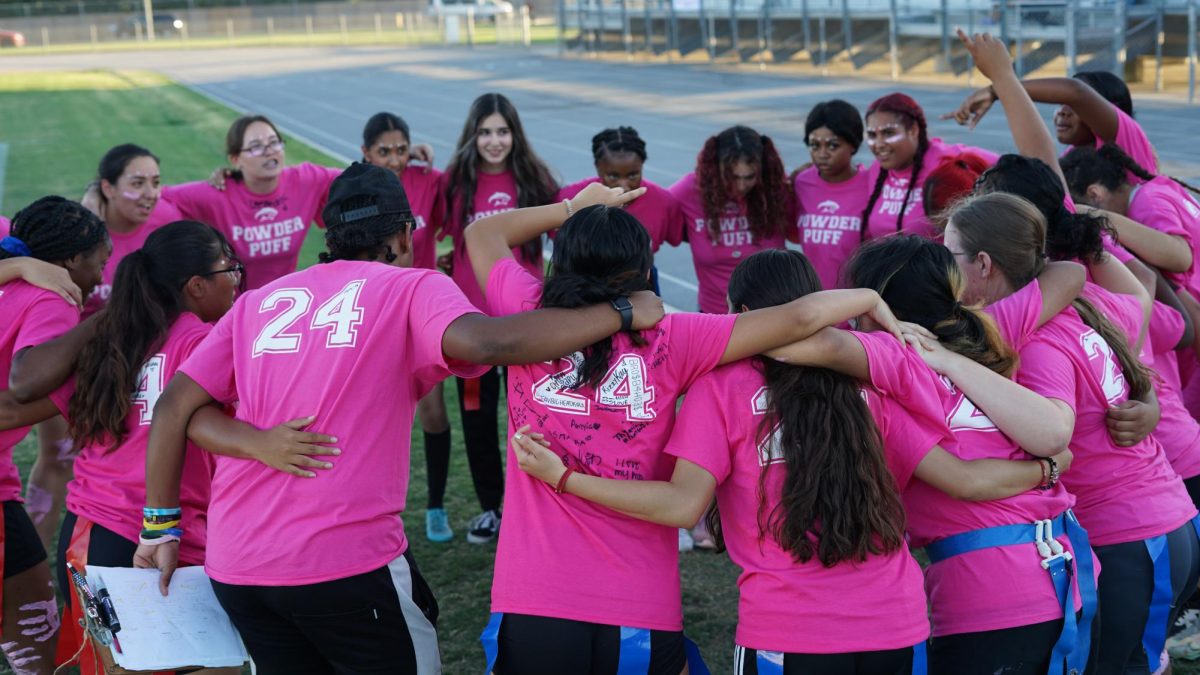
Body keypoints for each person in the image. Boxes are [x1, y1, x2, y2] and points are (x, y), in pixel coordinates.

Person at [135, 163, 663, 675]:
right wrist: (619, 312)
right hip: (342, 562)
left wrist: (163, 526)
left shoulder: (257, 301)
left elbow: (174, 407)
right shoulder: (412, 287)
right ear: (407, 234)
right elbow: (491, 341)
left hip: (238, 564)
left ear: (329, 232)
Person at [509, 247, 1077, 675]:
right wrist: (1048, 469)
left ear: (745, 314)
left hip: (789, 633)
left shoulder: (722, 388)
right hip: (898, 626)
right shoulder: (872, 381)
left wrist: (564, 477)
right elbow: (963, 479)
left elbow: (683, 505)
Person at [464, 178, 937, 673]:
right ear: (643, 270)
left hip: (533, 590)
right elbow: (799, 320)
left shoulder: (523, 312)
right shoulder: (675, 335)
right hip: (638, 597)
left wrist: (571, 207)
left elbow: (482, 235)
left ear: (561, 263)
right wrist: (865, 297)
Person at [945, 190, 1200, 674]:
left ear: (981, 263)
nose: (944, 264)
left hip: (1127, 539)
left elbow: (1056, 429)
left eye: (949, 253)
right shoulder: (1089, 305)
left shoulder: (1033, 343)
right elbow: (1138, 298)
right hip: (1170, 522)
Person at [21, 221, 240, 675]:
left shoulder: (116, 339)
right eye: (228, 267)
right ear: (196, 286)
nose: (236, 277)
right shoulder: (203, 342)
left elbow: (26, 393)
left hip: (89, 536)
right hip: (152, 542)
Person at [438, 92, 559, 544]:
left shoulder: (534, 179)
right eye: (485, 131)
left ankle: (536, 506)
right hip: (470, 326)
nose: (494, 141)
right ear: (473, 135)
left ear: (515, 134)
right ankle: (492, 507)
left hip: (525, 324)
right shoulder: (453, 183)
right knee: (477, 416)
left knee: (533, 416)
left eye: (502, 131)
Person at [0, 197, 109, 675]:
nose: (100, 277)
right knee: (38, 646)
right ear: (69, 262)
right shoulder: (52, 299)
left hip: (4, 484)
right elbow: (18, 393)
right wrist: (102, 377)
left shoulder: (13, 254)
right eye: (99, 262)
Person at [359, 111, 456, 543]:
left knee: (434, 413)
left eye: (401, 149)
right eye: (384, 151)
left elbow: (457, 208)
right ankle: (362, 508)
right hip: (373, 306)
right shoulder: (356, 188)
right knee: (369, 412)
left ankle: (435, 505)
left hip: (418, 305)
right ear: (365, 153)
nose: (395, 159)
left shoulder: (429, 179)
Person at [162, 114, 343, 290]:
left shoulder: (305, 181)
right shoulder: (217, 192)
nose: (269, 151)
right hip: (233, 309)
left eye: (274, 142)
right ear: (235, 159)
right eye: (256, 147)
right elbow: (161, 197)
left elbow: (357, 177)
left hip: (282, 304)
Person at [669, 125, 796, 313]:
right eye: (732, 177)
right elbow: (653, 210)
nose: (741, 185)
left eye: (750, 177)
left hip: (774, 315)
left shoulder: (776, 189)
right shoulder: (690, 191)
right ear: (715, 168)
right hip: (715, 316)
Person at [947, 72, 1160, 180]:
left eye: (1076, 107)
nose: (1062, 111)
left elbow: (1076, 91)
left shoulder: (1126, 142)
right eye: (1060, 103)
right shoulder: (1074, 155)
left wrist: (998, 89)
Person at [558, 127, 684, 294]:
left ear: (642, 166)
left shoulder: (664, 202)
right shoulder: (570, 199)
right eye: (613, 176)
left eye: (633, 175)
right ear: (598, 167)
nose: (623, 186)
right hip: (583, 287)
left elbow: (679, 236)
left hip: (642, 288)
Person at [860, 92, 998, 240]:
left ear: (913, 130)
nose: (879, 144)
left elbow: (1014, 165)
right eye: (872, 135)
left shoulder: (946, 159)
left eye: (888, 133)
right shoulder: (877, 170)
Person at [792, 100, 870, 289]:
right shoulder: (802, 183)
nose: (822, 154)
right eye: (814, 145)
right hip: (813, 305)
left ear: (853, 145)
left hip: (857, 306)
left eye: (833, 146)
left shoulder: (871, 184)